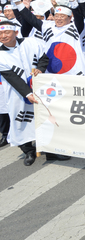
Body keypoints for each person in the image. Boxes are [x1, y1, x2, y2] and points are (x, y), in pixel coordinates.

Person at [0, 19, 69, 165]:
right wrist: (28, 94)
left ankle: (50, 151)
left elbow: (44, 58)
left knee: (45, 119)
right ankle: (28, 151)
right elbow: (12, 78)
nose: (3, 35)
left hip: (39, 88)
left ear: (15, 32)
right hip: (18, 94)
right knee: (21, 121)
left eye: (6, 32)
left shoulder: (31, 42)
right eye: (0, 33)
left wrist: (40, 69)